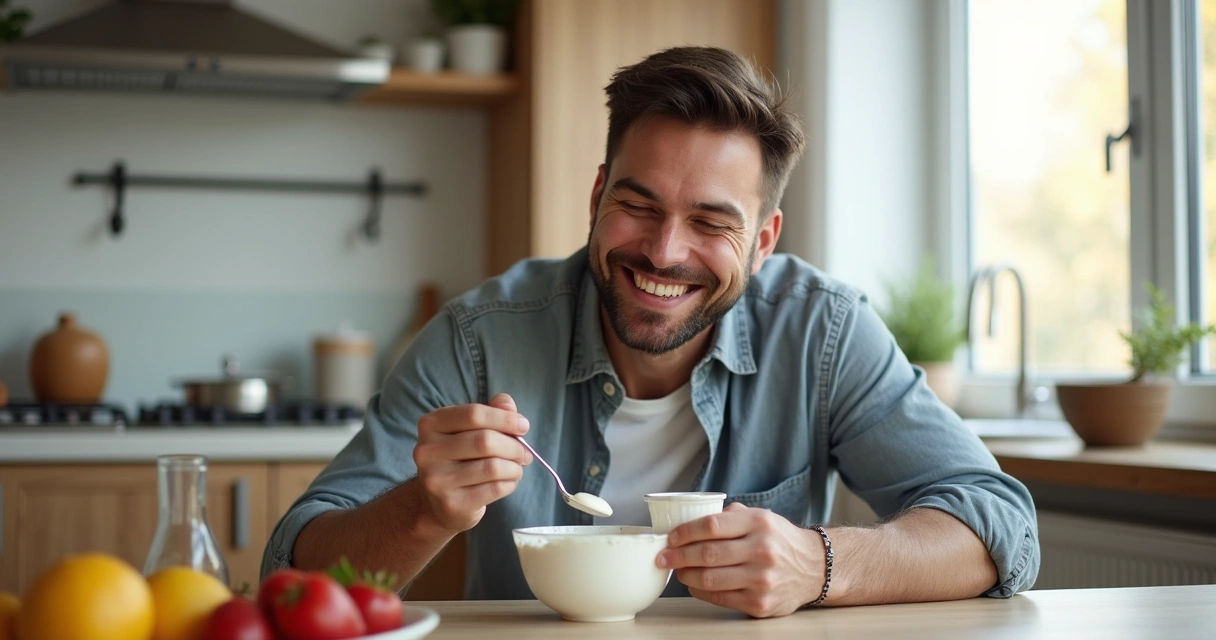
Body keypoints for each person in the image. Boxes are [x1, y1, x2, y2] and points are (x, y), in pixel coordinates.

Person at [262, 45, 1040, 618]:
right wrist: (424, 511)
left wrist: (820, 562)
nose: (665, 252)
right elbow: (288, 577)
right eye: (638, 206)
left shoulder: (823, 332)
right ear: (598, 196)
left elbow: (998, 523)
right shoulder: (479, 340)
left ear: (763, 242)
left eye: (710, 223)